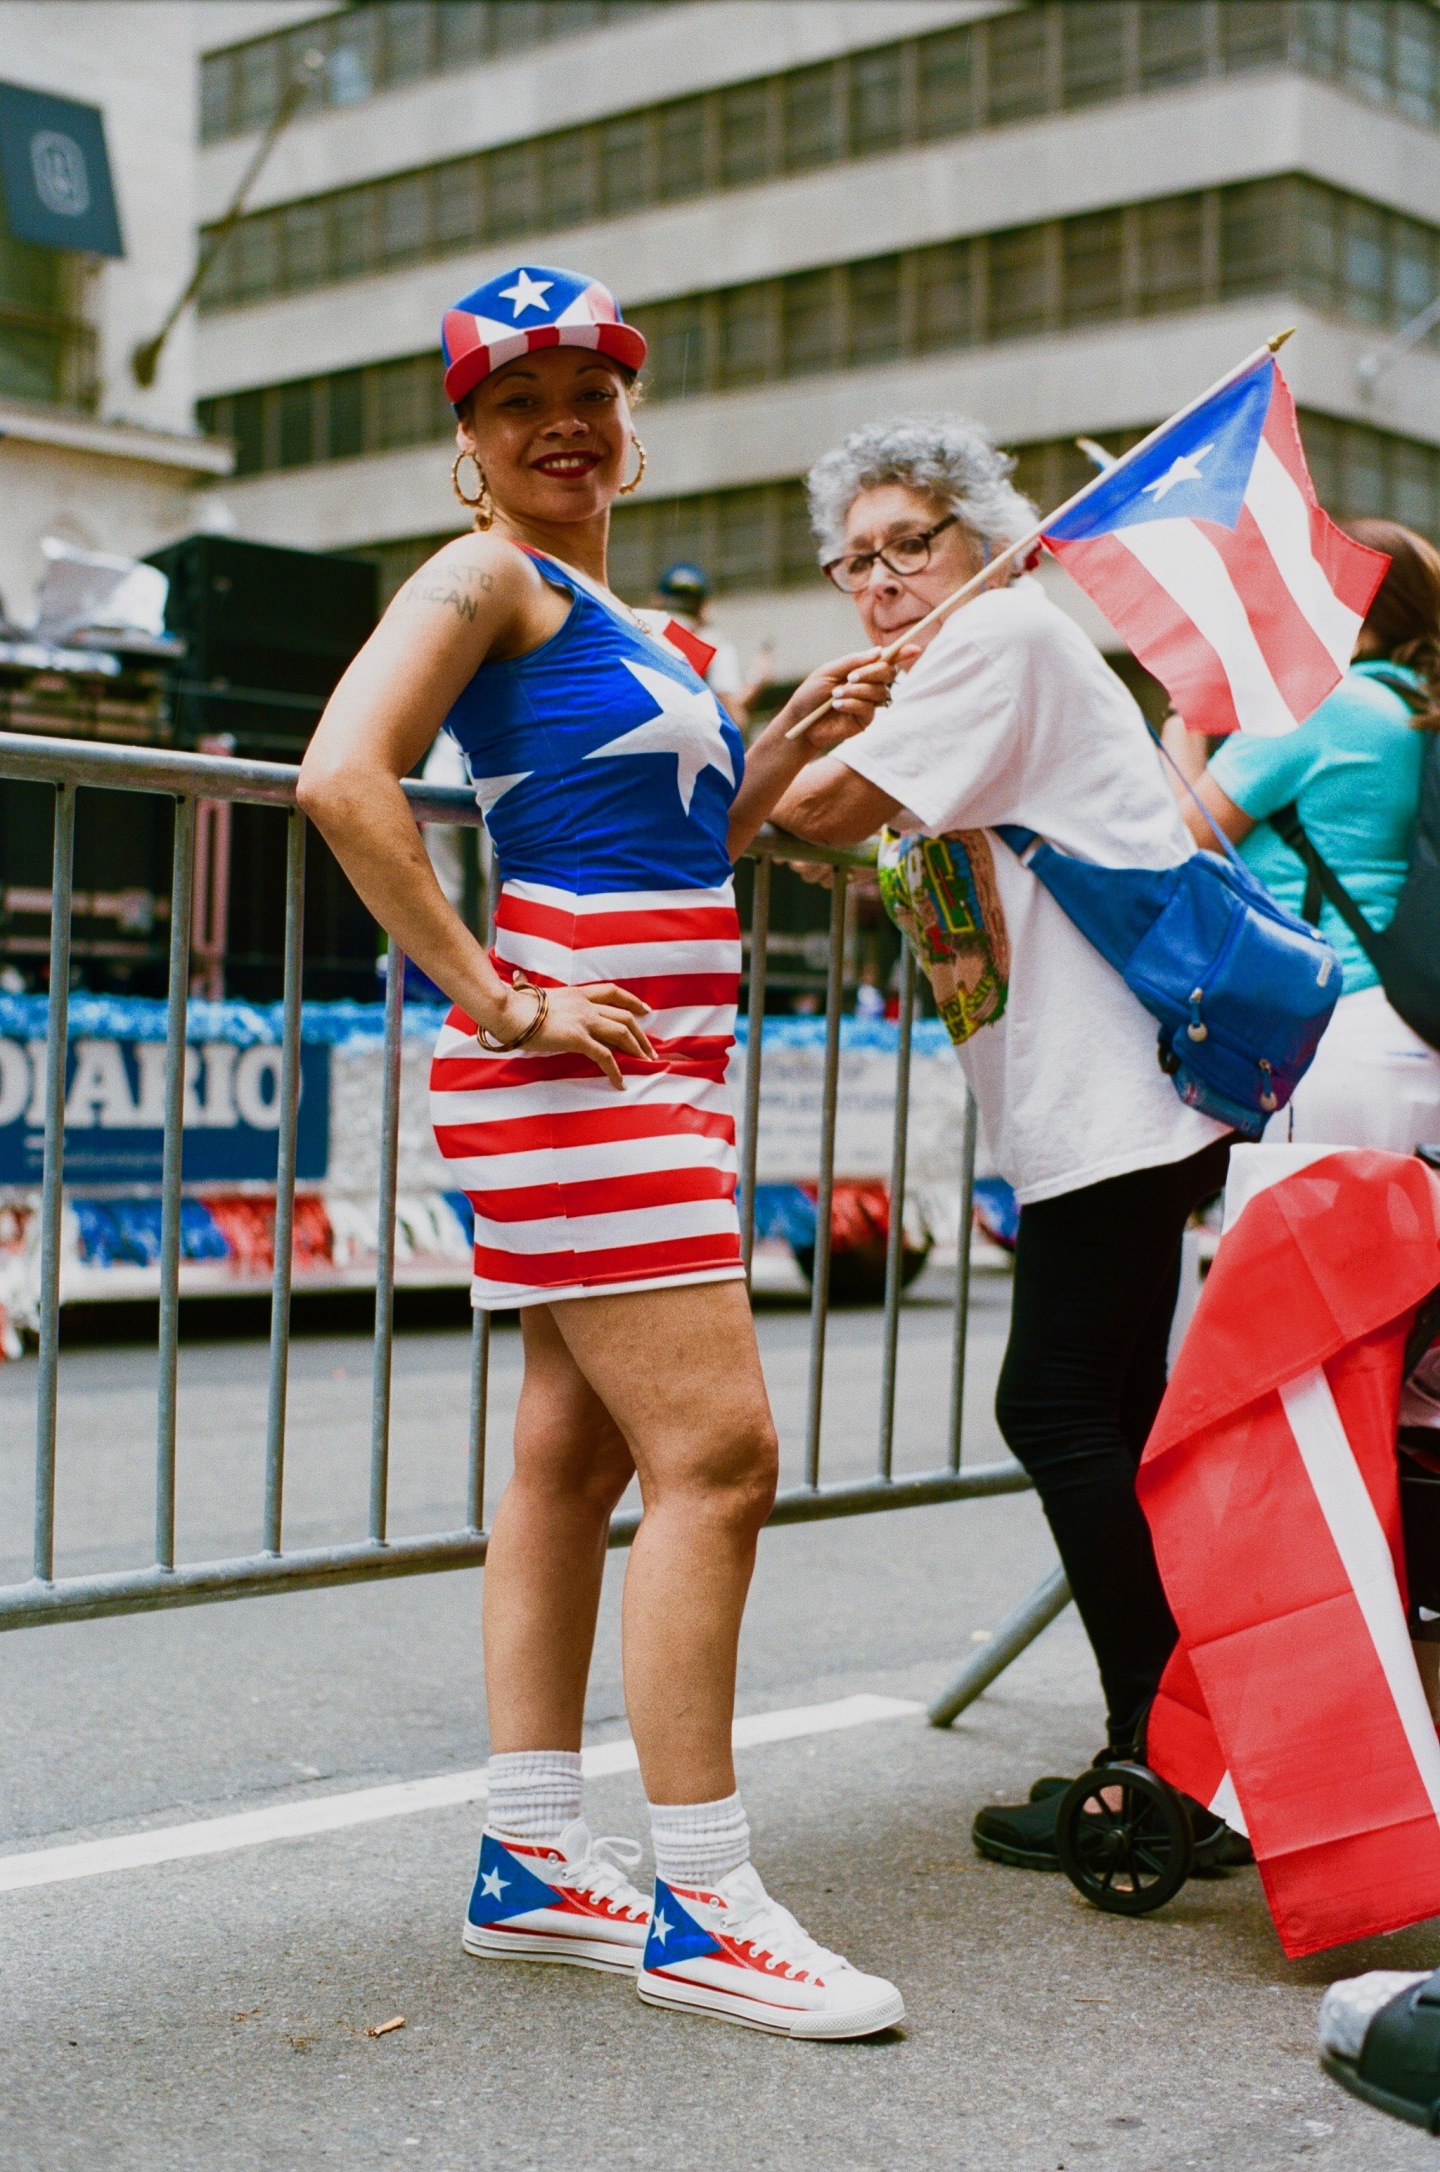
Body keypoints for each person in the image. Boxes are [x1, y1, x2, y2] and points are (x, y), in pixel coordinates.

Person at [296, 262, 906, 2038]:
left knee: (572, 1457)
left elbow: (673, 861)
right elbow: (343, 774)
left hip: (651, 1069)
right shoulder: (483, 574)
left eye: (592, 388)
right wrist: (499, 997)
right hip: (578, 1077)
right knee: (718, 1453)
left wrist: (780, 744)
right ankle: (705, 1898)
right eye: (515, 398)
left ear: (630, 427)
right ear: (469, 447)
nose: (565, 415)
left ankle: (535, 1849)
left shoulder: (628, 630)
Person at [767, 415, 1246, 1872]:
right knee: (1123, 1416)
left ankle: (1160, 1755)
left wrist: (815, 723)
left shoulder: (999, 642)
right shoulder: (998, 657)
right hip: (1125, 1099)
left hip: (1111, 1100)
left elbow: (810, 813)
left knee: (1051, 1410)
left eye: (912, 543)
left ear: (988, 535)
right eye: (855, 563)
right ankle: (1191, 1747)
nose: (884, 580)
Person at [1162, 517, 1440, 1153]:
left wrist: (1185, 723)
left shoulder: (1321, 707)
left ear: (1353, 611)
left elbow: (1177, 845)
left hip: (1334, 1033)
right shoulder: (1417, 706)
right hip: (1417, 1026)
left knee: (1317, 1250)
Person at [641, 560, 772, 729]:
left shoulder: (636, 635)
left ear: (656, 600)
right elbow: (732, 716)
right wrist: (756, 680)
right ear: (704, 608)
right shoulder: (713, 646)